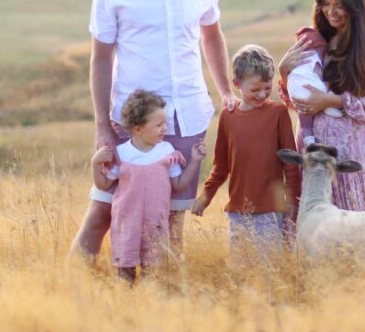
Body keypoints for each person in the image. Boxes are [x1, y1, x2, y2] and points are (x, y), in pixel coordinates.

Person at [69, 0, 237, 265]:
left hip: (187, 116)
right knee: (103, 210)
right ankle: (71, 288)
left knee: (172, 219)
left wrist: (225, 91)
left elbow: (211, 36)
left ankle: (164, 296)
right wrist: (102, 128)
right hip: (134, 120)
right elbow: (101, 58)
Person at [278, 0, 365, 213]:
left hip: (352, 147)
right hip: (313, 145)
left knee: (354, 223)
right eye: (325, 4)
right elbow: (297, 100)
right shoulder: (317, 38)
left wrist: (332, 101)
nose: (331, 11)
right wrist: (284, 72)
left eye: (339, 5)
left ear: (354, 3)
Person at [191, 45, 301, 259]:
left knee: (270, 271)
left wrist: (293, 202)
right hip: (238, 212)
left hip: (272, 210)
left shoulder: (278, 113)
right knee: (241, 270)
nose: (261, 94)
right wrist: (206, 196)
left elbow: (291, 164)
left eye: (267, 88)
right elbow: (221, 166)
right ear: (237, 84)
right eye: (254, 90)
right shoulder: (227, 118)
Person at [91, 90, 207, 282]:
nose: (164, 129)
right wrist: (96, 163)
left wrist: (194, 161)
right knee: (125, 270)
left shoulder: (166, 151)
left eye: (165, 123)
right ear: (138, 129)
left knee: (151, 272)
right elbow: (103, 184)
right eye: (159, 125)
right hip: (127, 222)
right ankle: (126, 303)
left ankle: (149, 305)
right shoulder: (122, 154)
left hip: (155, 222)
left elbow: (178, 184)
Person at [285, 25, 343, 146]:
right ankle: (329, 108)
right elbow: (320, 76)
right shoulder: (314, 60)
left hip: (298, 96)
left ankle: (309, 140)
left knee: (305, 123)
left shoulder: (296, 63)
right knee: (324, 89)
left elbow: (291, 83)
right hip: (312, 93)